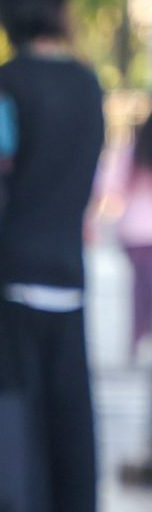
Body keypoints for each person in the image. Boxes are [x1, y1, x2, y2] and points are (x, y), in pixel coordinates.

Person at [0, 0, 104, 510]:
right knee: (67, 441)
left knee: (8, 448)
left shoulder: (2, 84)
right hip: (67, 284)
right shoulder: (88, 85)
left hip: (8, 288)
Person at [118, 113, 152, 358]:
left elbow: (112, 187)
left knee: (141, 288)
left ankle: (139, 337)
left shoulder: (133, 152)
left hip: (134, 232)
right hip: (141, 233)